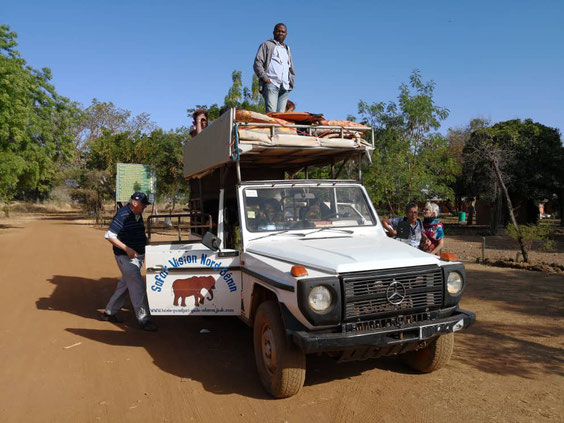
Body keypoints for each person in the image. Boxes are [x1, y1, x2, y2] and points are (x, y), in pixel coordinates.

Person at [100, 192, 157, 331]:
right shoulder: (123, 215)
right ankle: (144, 319)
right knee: (137, 287)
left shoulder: (137, 214)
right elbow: (109, 235)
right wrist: (127, 249)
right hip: (126, 257)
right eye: (143, 205)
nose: (144, 207)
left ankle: (109, 312)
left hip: (138, 256)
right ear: (135, 203)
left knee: (126, 284)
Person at [253, 23, 295, 113]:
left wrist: (291, 82)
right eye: (278, 31)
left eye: (283, 32)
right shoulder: (267, 45)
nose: (280, 33)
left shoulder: (287, 48)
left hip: (285, 86)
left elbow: (290, 67)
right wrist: (266, 79)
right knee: (271, 114)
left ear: (286, 34)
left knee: (281, 117)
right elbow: (257, 63)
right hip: (272, 84)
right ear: (274, 32)